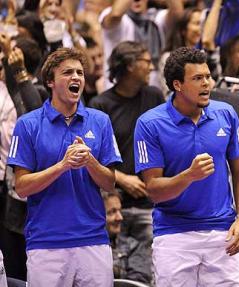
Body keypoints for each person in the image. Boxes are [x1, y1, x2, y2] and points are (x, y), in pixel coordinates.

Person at [134, 46, 239, 286]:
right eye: (197, 78)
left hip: (223, 232)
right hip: (174, 235)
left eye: (207, 76)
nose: (207, 84)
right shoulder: (149, 124)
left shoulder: (226, 114)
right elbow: (154, 189)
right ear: (177, 85)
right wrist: (189, 175)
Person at [7, 47, 122, 286]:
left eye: (79, 72)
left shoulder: (100, 121)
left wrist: (90, 161)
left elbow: (109, 183)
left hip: (93, 240)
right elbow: (22, 187)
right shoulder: (27, 125)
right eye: (67, 72)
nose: (76, 78)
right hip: (46, 243)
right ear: (50, 81)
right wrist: (62, 165)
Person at [89, 41, 165, 285]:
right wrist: (122, 178)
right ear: (130, 65)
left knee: (147, 274)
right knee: (111, 272)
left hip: (148, 203)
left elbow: (165, 139)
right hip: (112, 203)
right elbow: (92, 155)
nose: (151, 67)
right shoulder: (101, 105)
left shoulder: (153, 96)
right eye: (146, 61)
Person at [102, 191, 151, 283]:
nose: (120, 217)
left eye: (119, 211)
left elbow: (139, 280)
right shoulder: (86, 250)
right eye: (112, 212)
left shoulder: (132, 245)